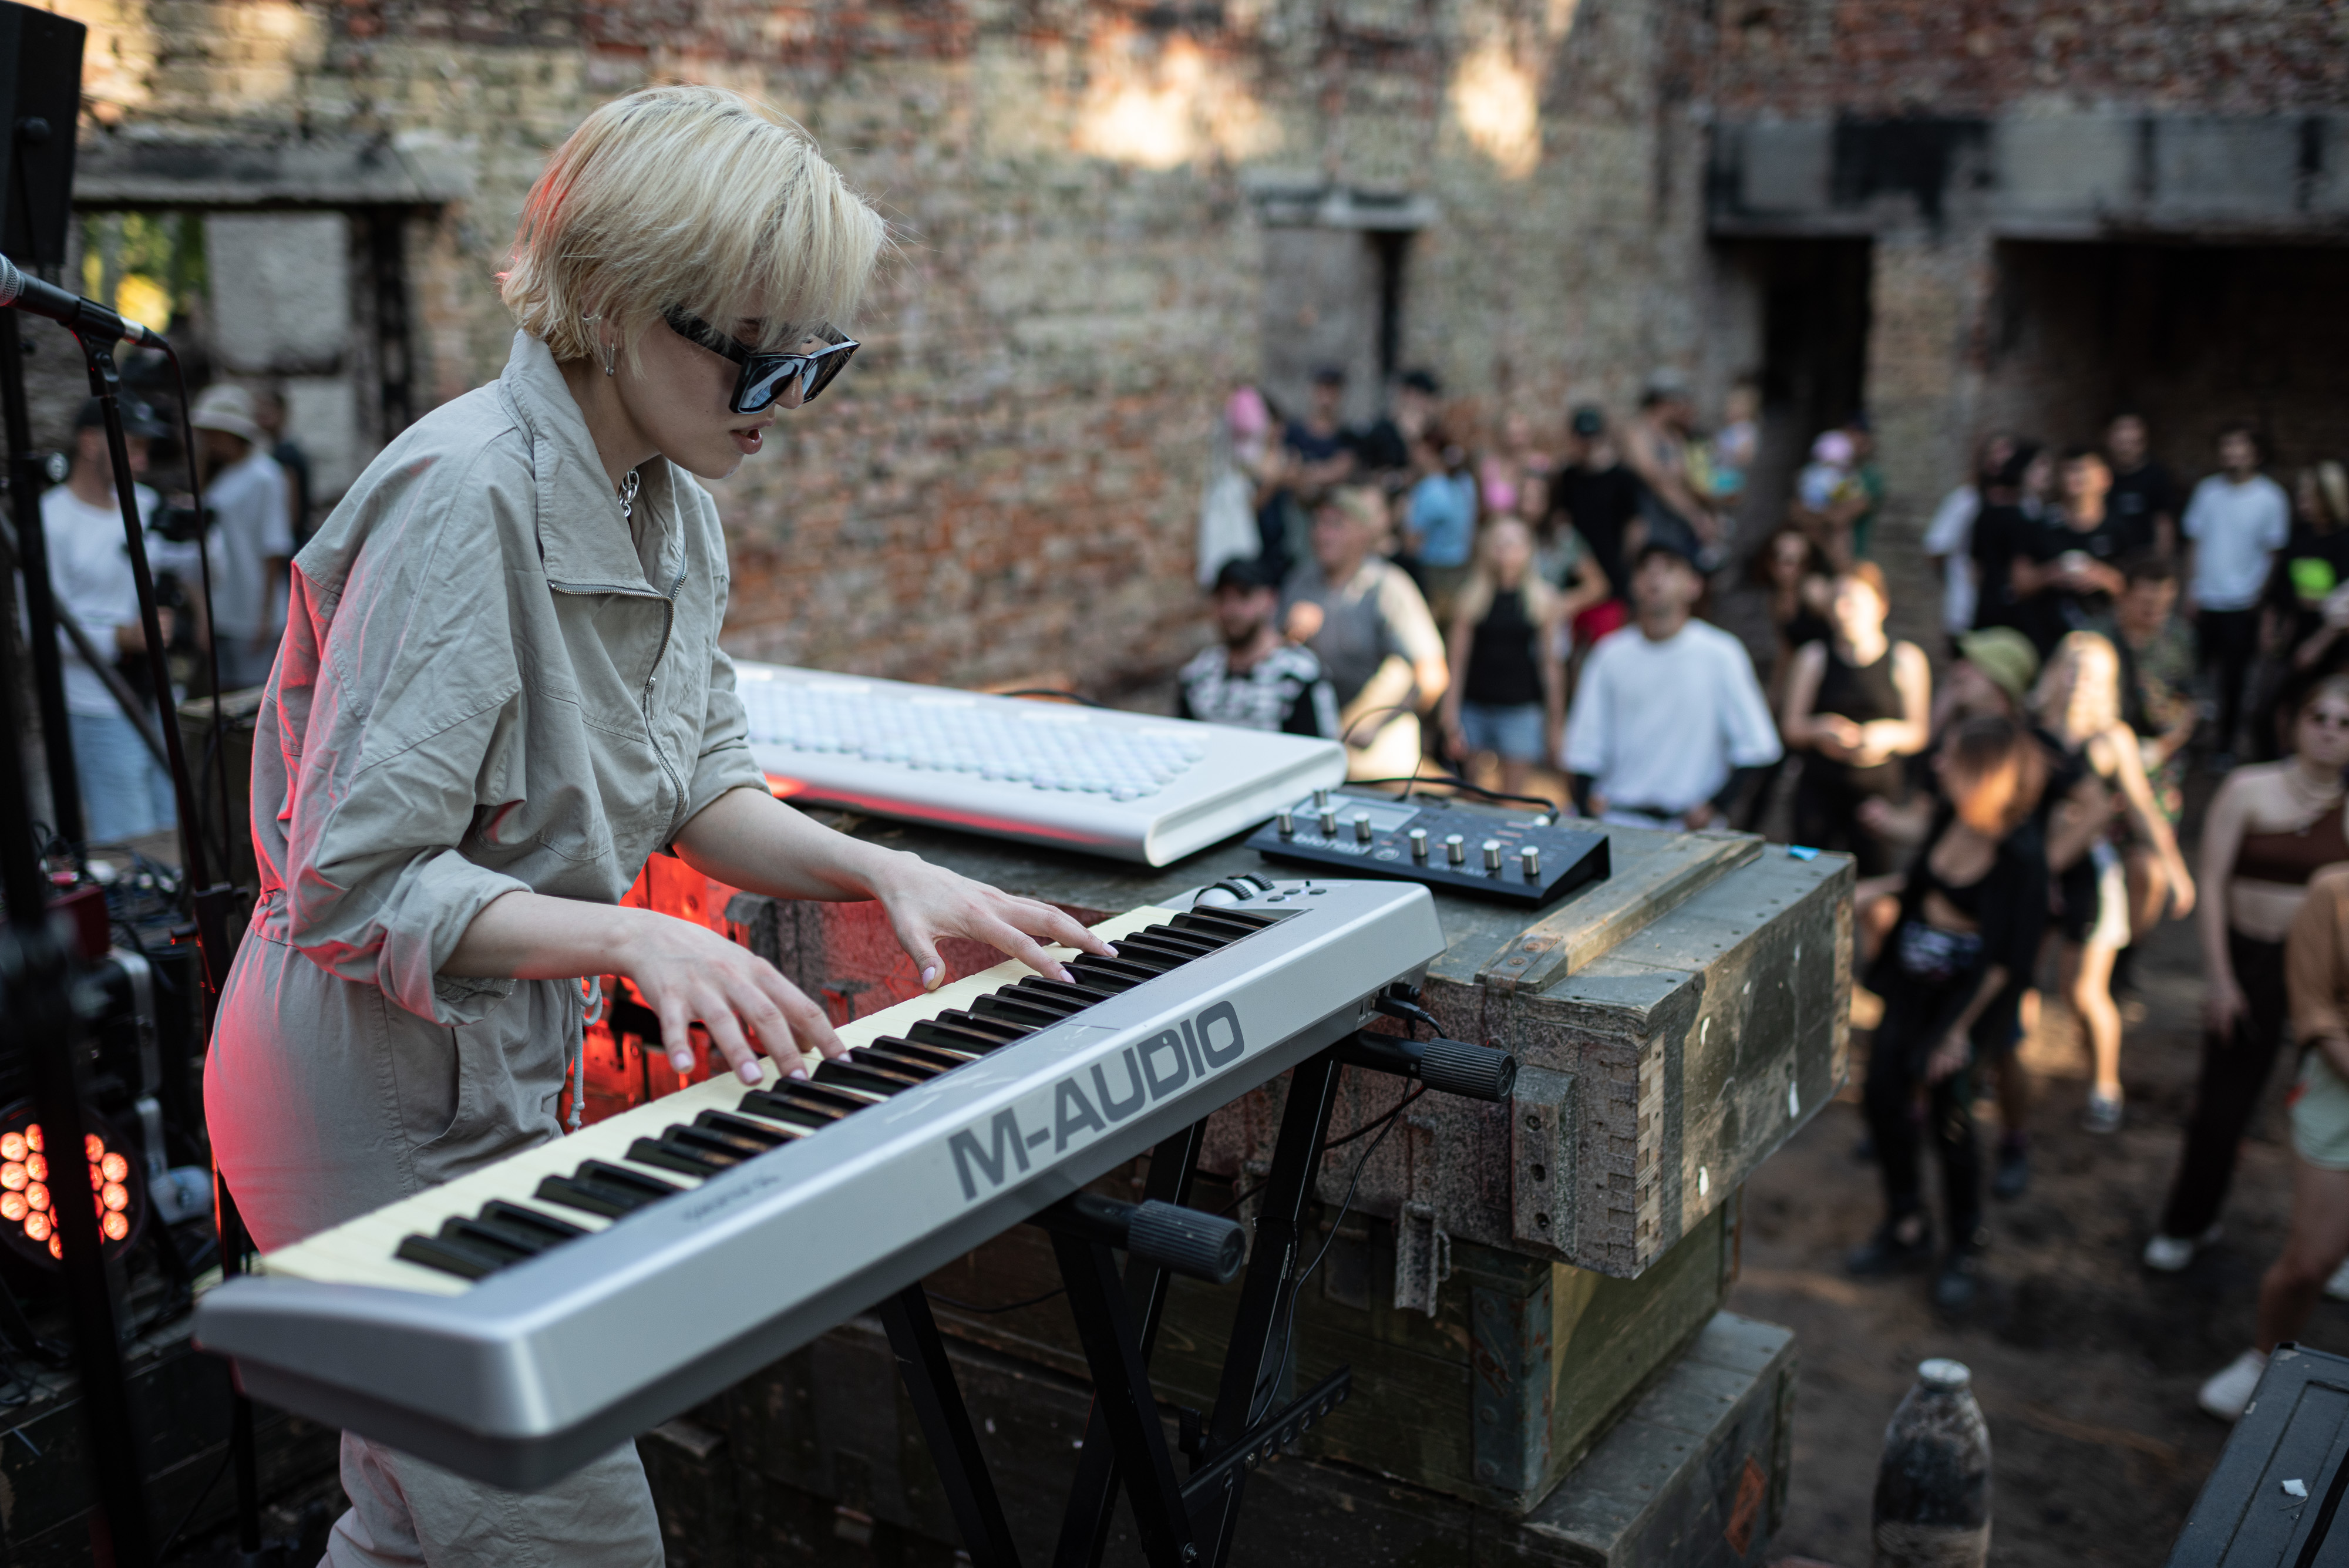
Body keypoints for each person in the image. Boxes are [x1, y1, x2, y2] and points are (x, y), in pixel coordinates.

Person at [204, 86, 1118, 1568]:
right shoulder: (464, 498)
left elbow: (702, 784)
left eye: (817, 359)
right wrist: (630, 930)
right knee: (571, 1535)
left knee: (408, 1522)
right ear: (623, 309)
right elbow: (353, 887)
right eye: (762, 358)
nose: (787, 405)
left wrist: (884, 870)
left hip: (480, 1060)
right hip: (358, 1085)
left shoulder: (671, 500)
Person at [2147, 674, 2349, 1275]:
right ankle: (2188, 1222)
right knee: (2221, 1104)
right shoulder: (2248, 788)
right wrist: (2219, 978)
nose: (2330, 731)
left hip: (2329, 976)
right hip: (2249, 960)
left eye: (2345, 723)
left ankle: (2336, 1246)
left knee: (2338, 1107)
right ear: (2295, 720)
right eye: (2321, 717)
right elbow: (2210, 883)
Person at [1847, 717, 2048, 1310]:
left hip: (1966, 1006)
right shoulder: (1949, 817)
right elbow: (1917, 884)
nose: (1937, 765)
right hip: (1911, 988)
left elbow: (2008, 962)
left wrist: (1955, 1035)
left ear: (1985, 773)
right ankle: (1905, 1223)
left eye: (1951, 759)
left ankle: (1963, 1241)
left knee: (1949, 1120)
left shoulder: (2021, 854)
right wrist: (1865, 889)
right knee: (1882, 1095)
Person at [2199, 857, 2349, 1421]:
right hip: (2342, 1091)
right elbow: (2316, 1011)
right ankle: (2265, 1359)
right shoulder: (2334, 892)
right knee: (2310, 1263)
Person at [2032, 631, 2197, 1133]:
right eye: (2072, 668)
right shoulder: (2030, 731)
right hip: (2033, 871)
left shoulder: (2113, 738)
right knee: (2019, 976)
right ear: (2055, 671)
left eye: (2093, 674)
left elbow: (2144, 808)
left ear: (2108, 684)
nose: (2080, 682)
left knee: (2084, 992)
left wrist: (2175, 869)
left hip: (2089, 874)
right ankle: (2004, 1066)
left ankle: (2105, 1083)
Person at [1562, 540, 1781, 829]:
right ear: (1633, 584)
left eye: (1669, 568)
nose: (1655, 578)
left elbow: (1758, 748)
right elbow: (1583, 749)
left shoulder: (1721, 653)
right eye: (1645, 569)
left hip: (1689, 831)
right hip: (1619, 821)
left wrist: (1714, 807)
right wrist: (1588, 818)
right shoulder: (1609, 655)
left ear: (1694, 585)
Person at [36, 396, 177, 842]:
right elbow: (39, 628)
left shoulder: (145, 504)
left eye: (144, 450)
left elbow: (187, 569)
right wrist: (121, 636)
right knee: (130, 836)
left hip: (158, 690)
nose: (140, 461)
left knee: (177, 824)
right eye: (130, 447)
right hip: (98, 702)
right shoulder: (50, 518)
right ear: (90, 442)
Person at [1283, 484, 1449, 780]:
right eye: (1318, 523)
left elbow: (1433, 676)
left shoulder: (1388, 587)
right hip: (1315, 749)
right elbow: (1272, 660)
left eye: (1336, 524)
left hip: (1376, 758)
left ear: (1363, 533)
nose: (1322, 534)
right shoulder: (1300, 582)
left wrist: (1378, 724)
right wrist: (1291, 636)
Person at [1780, 563, 1931, 874]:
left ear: (1881, 605)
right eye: (1836, 600)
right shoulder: (1814, 658)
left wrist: (1884, 735)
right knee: (1804, 876)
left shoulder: (1906, 659)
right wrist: (1822, 730)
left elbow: (1919, 732)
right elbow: (1791, 727)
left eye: (1852, 600)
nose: (1842, 610)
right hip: (1820, 790)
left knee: (1873, 885)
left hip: (1875, 793)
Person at [2185, 423, 2291, 766]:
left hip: (2242, 604)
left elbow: (2274, 553)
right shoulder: (2207, 492)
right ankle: (2185, 739)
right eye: (2227, 447)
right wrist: (2191, 589)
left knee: (2233, 681)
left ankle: (2225, 746)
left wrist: (2259, 599)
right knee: (2190, 675)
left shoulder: (2271, 498)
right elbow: (2195, 542)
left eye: (2240, 447)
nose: (2233, 454)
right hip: (2205, 599)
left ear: (2256, 454)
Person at [1440, 517, 1569, 801]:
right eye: (1500, 542)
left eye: (1514, 542)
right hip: (1475, 705)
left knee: (1512, 799)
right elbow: (1457, 661)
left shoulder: (1543, 599)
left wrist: (1555, 722)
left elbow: (1551, 665)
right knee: (1472, 794)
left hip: (1521, 708)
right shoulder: (1472, 596)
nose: (1507, 550)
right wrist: (1449, 713)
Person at [186, 382, 294, 691]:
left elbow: (274, 546)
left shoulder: (265, 475)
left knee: (252, 701)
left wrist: (265, 615)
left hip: (254, 611)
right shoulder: (224, 474)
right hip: (224, 607)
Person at [2114, 557, 2199, 920]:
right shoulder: (2097, 635)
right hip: (2105, 761)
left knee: (2151, 867)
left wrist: (2164, 747)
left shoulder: (2179, 638)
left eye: (2163, 605)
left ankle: (2126, 962)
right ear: (2126, 595)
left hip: (2157, 763)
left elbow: (2192, 702)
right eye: (2146, 603)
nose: (2154, 612)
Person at [1175, 556, 1340, 736]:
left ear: (1270, 600)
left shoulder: (1299, 675)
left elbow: (1322, 751)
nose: (1231, 610)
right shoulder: (1198, 675)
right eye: (1223, 598)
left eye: (1243, 597)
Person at [2010, 446, 2135, 655]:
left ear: (2104, 478)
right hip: (2047, 640)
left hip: (2105, 640)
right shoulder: (2040, 526)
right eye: (2070, 471)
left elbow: (2137, 588)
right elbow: (2019, 584)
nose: (2077, 478)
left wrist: (2102, 577)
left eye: (2084, 470)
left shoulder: (2120, 528)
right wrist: (2052, 574)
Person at [1544, 406, 1644, 646]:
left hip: (1612, 579)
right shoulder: (1568, 477)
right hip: (1576, 582)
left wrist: (1626, 565)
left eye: (1593, 436)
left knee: (1607, 649)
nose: (1588, 442)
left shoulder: (1623, 478)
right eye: (1582, 436)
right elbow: (1559, 522)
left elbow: (1636, 528)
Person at [1922, 433, 2017, 644]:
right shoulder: (1965, 501)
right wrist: (1959, 578)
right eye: (1995, 453)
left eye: (2008, 454)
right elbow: (1935, 549)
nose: (2001, 461)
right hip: (1966, 610)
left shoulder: (2024, 505)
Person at [2261, 460, 2349, 688]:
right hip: (2296, 633)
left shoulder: (2343, 541)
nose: (2303, 504)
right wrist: (2269, 627)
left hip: (2333, 643)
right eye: (2301, 496)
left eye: (2310, 497)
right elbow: (2280, 586)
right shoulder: (2300, 535)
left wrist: (2318, 644)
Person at [1621, 378, 1724, 563]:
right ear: (1664, 402)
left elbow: (1684, 480)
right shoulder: (1637, 433)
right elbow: (1656, 479)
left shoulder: (1673, 435)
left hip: (1676, 520)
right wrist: (1695, 515)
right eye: (1678, 401)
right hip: (1649, 521)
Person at [1968, 443, 2051, 637]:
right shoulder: (2015, 518)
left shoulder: (2032, 513)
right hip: (2009, 613)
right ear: (2023, 471)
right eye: (2041, 466)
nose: (2048, 473)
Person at [1401, 430, 1479, 621]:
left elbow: (1411, 544)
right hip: (1464, 570)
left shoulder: (1429, 489)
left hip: (1433, 574)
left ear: (1428, 452)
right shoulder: (1466, 483)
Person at [2105, 410, 2182, 561]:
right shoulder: (2100, 474)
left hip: (2144, 560)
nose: (2126, 448)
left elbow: (2164, 523)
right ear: (2108, 438)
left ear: (2143, 440)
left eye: (2132, 442)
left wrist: (2160, 563)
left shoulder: (2156, 475)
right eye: (2121, 442)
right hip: (2108, 558)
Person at [253, 383, 315, 550]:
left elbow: (291, 512)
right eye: (258, 408)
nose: (261, 413)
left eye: (268, 406)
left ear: (282, 412)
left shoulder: (286, 454)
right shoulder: (275, 451)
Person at [1283, 366, 1357, 493]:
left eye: (1332, 390)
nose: (1326, 397)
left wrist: (1305, 472)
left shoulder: (1348, 436)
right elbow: (1288, 472)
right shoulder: (1294, 431)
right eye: (1322, 389)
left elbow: (1340, 472)